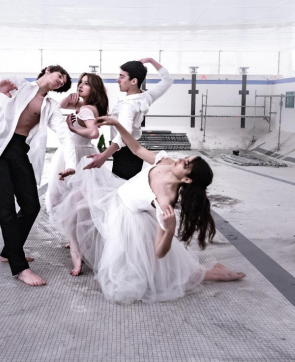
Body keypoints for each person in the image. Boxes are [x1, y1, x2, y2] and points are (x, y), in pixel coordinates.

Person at [50, 116, 245, 303]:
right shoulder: (166, 163)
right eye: (186, 157)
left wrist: (169, 231)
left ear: (186, 179)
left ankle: (215, 273)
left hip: (129, 219)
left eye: (185, 164)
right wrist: (117, 124)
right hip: (115, 196)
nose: (181, 160)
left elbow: (160, 251)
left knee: (144, 282)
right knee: (77, 197)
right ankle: (77, 250)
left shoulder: (164, 200)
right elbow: (136, 149)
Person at [0, 65, 77, 287]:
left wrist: (71, 163)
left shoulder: (50, 106)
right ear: (48, 70)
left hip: (19, 150)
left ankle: (9, 250)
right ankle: (20, 266)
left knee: (31, 206)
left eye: (62, 83)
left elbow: (64, 135)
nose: (60, 81)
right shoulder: (20, 84)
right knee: (6, 209)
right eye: (59, 76)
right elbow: (1, 82)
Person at [45, 72, 108, 276]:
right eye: (80, 82)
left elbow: (93, 133)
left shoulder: (87, 109)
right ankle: (75, 239)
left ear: (95, 89)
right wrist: (71, 98)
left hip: (77, 156)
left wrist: (73, 129)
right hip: (74, 154)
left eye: (86, 84)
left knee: (63, 201)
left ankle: (76, 247)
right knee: (69, 201)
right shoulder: (81, 106)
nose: (81, 86)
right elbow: (59, 106)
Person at [84, 58, 173, 179]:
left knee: (120, 191)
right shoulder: (146, 96)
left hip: (125, 154)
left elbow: (123, 135)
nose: (118, 80)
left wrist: (104, 156)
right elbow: (167, 80)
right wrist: (151, 61)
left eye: (122, 76)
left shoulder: (129, 105)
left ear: (133, 81)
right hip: (132, 152)